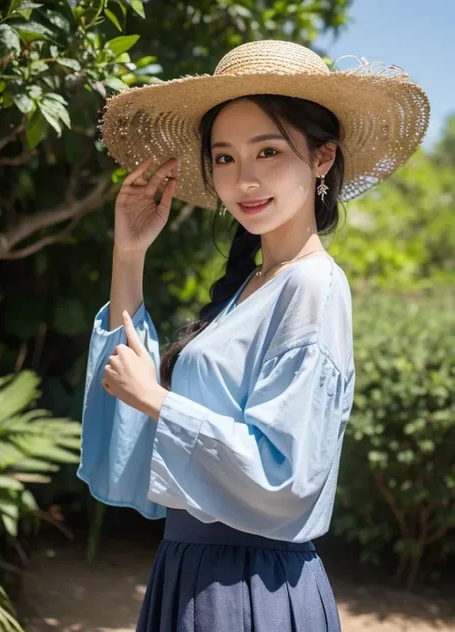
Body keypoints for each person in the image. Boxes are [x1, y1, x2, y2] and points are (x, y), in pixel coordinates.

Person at [77, 40, 429, 631]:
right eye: (224, 158)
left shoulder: (313, 285)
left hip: (247, 587)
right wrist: (129, 251)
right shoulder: (251, 287)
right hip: (189, 569)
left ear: (322, 158)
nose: (244, 179)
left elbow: (286, 475)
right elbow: (126, 399)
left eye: (268, 150)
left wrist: (157, 399)